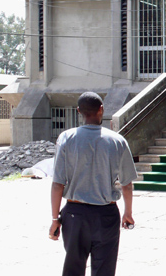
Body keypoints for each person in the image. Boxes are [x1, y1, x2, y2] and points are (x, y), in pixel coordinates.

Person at [49, 92, 138, 276]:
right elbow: (127, 184)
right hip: (106, 215)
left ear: (79, 111)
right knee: (104, 270)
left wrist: (54, 219)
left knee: (73, 268)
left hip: (75, 214)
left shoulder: (66, 138)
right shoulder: (117, 141)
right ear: (101, 109)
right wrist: (128, 213)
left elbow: (58, 184)